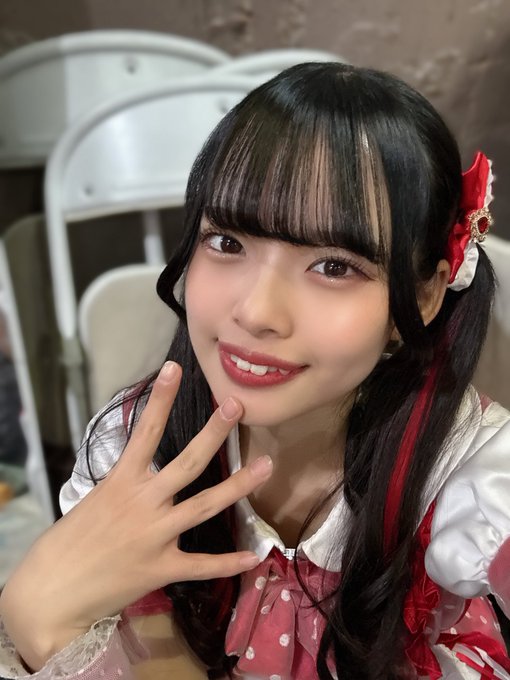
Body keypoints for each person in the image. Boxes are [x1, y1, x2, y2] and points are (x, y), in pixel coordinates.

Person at [0, 61, 509, 680]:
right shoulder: (136, 450)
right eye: (227, 242)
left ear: (424, 297)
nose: (256, 312)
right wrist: (41, 618)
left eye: (334, 266)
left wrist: (39, 618)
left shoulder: (473, 477)